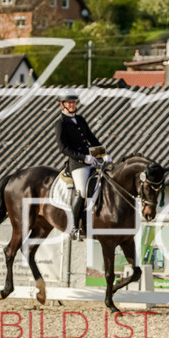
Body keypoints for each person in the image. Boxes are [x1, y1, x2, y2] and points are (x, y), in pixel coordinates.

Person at [55, 93, 109, 239]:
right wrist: (84, 157)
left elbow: (91, 138)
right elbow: (63, 148)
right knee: (82, 192)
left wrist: (103, 153)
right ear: (62, 104)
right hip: (77, 164)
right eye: (70, 103)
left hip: (91, 159)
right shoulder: (60, 123)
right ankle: (74, 227)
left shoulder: (80, 119)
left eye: (74, 102)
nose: (73, 105)